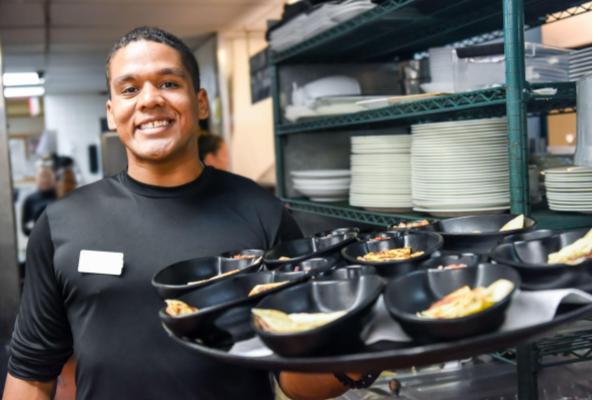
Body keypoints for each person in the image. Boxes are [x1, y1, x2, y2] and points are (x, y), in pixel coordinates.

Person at [3, 26, 372, 400]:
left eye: (168, 83)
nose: (149, 100)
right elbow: (32, 372)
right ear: (112, 113)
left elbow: (294, 378)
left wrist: (364, 353)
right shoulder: (64, 223)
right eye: (129, 89)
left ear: (201, 103)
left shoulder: (262, 212)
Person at [20, 163, 57, 237]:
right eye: (42, 176)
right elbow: (25, 228)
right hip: (39, 242)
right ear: (36, 179)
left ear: (53, 178)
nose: (45, 180)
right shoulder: (29, 200)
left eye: (48, 176)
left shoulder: (62, 197)